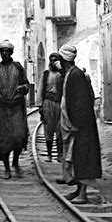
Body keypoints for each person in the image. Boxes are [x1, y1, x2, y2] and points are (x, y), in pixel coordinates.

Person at [58, 43, 102, 204]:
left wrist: (76, 123)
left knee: (82, 158)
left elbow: (80, 103)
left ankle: (83, 194)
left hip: (79, 125)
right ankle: (78, 190)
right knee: (75, 158)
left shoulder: (76, 75)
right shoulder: (72, 74)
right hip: (74, 124)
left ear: (64, 60)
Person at [0, 39, 29, 179]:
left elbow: (26, 84)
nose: (4, 54)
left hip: (16, 106)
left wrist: (23, 88)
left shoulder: (18, 67)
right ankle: (7, 167)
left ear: (11, 52)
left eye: (7, 51)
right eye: (2, 51)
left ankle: (15, 162)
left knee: (18, 135)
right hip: (0, 107)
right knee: (3, 139)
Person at [35, 52, 63, 166]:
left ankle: (60, 154)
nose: (53, 62)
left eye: (55, 60)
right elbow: (40, 89)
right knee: (48, 129)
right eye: (51, 60)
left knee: (60, 129)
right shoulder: (46, 74)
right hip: (48, 103)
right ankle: (49, 154)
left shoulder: (62, 74)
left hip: (60, 103)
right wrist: (40, 106)